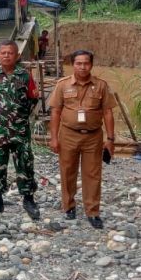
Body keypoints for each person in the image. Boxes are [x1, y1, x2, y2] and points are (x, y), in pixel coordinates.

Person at [48, 50, 116, 229]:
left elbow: (108, 112)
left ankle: (92, 211)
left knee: (92, 174)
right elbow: (55, 112)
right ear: (73, 65)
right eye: (78, 63)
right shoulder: (62, 85)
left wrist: (110, 139)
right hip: (68, 134)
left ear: (91, 65)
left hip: (93, 136)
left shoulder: (101, 86)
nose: (82, 67)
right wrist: (54, 138)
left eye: (86, 63)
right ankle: (68, 206)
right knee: (67, 171)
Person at [0, 41, 41, 219]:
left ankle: (29, 199)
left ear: (17, 56)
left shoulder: (24, 75)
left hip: (20, 130)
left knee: (25, 164)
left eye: (10, 53)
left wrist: (21, 116)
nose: (6, 55)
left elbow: (33, 99)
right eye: (3, 52)